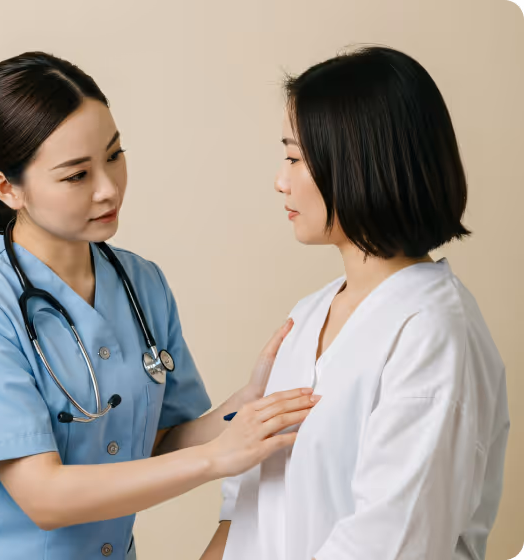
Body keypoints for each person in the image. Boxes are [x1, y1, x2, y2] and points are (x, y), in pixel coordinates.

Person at [0, 51, 319, 560]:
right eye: (76, 175)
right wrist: (219, 458)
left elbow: (161, 444)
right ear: (8, 188)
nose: (109, 188)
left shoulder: (141, 283)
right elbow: (43, 497)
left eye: (114, 155)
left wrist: (247, 402)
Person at [203, 46, 509, 560]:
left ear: (360, 162)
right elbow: (242, 511)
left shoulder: (433, 333)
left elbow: (390, 541)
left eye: (296, 158)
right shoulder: (305, 318)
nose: (281, 180)